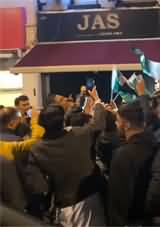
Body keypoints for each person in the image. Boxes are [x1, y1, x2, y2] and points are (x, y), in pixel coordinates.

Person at [24, 87, 107, 226]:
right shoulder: (79, 134)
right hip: (89, 199)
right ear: (63, 121)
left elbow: (38, 187)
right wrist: (97, 102)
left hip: (64, 204)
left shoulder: (36, 149)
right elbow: (98, 123)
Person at [107, 101, 157, 226]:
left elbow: (118, 197)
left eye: (118, 121)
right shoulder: (156, 143)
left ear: (127, 124)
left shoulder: (122, 155)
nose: (116, 124)